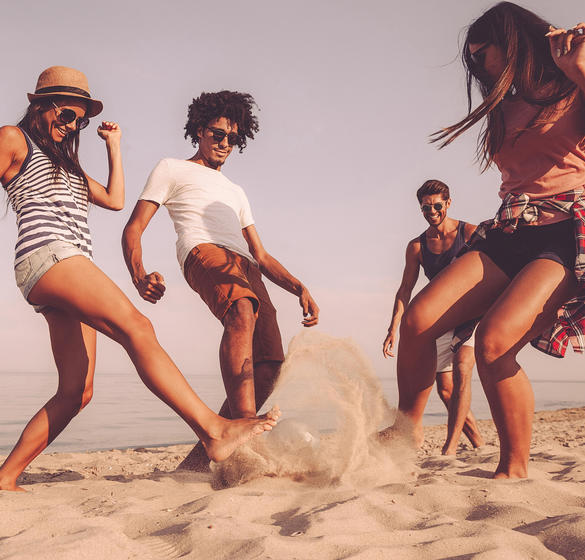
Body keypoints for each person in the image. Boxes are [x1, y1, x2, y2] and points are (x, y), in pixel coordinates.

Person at [0, 67, 279, 491]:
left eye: (80, 119)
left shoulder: (64, 161)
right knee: (138, 327)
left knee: (77, 391)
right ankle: (213, 430)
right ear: (41, 105)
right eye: (66, 114)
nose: (72, 124)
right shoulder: (12, 137)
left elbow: (113, 200)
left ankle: (4, 478)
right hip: (50, 254)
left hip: (60, 267)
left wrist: (113, 146)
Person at [382, 2, 585, 479]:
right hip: (509, 230)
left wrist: (577, 69)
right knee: (418, 319)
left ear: (513, 43)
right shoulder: (504, 105)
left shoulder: (573, 85)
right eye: (470, 59)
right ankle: (407, 430)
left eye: (482, 54)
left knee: (494, 343)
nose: (477, 66)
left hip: (563, 234)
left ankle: (513, 470)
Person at [122, 90, 319, 471]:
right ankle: (246, 432)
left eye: (233, 137)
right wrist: (139, 274)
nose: (225, 143)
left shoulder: (235, 191)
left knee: (271, 364)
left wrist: (299, 286)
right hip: (203, 251)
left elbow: (260, 254)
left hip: (248, 266)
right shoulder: (172, 168)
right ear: (199, 130)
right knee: (241, 310)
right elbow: (134, 227)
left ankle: (202, 457)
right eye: (217, 134)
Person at [382, 180, 483, 455]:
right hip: (439, 317)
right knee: (446, 390)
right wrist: (393, 327)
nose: (432, 211)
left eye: (437, 205)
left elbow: (492, 270)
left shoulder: (471, 233)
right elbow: (405, 289)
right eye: (426, 207)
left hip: (472, 313)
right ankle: (479, 445)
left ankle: (449, 448)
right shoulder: (417, 246)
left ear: (448, 203)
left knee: (463, 367)